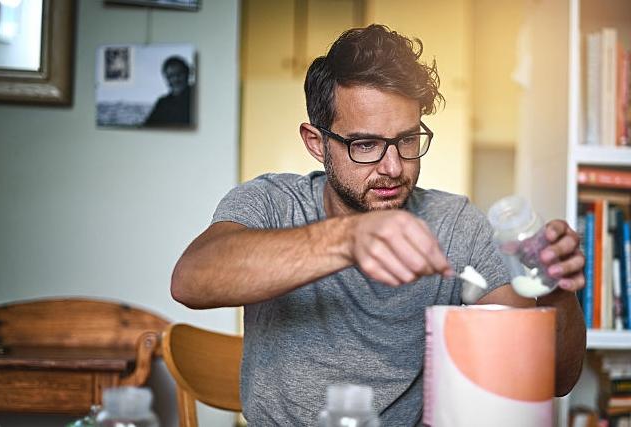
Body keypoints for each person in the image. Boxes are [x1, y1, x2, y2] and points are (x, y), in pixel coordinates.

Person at [171, 25, 586, 426]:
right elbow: (191, 280)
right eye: (365, 144)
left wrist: (555, 290)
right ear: (317, 143)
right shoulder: (272, 203)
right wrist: (348, 238)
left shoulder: (456, 224)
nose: (392, 168)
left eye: (407, 140)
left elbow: (552, 379)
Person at [144, 55, 192, 126]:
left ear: (188, 73)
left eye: (179, 74)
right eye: (171, 76)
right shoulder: (162, 103)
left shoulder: (199, 97)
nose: (175, 79)